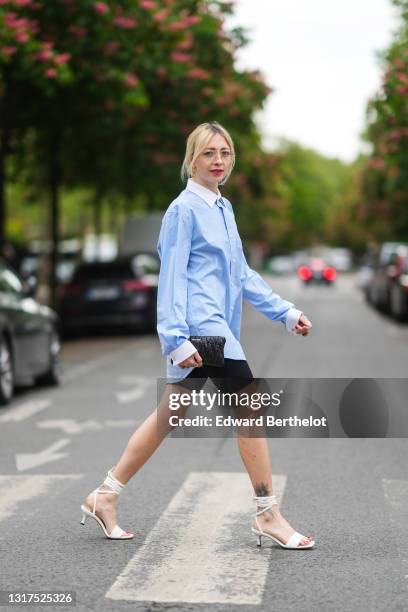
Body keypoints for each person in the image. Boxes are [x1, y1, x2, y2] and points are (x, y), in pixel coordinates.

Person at [80, 122, 315, 549]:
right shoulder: (183, 210)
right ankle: (268, 514)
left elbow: (241, 274)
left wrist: (286, 312)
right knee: (249, 409)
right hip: (202, 330)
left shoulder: (223, 209)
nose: (219, 161)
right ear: (192, 159)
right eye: (209, 153)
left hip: (218, 328)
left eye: (225, 153)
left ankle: (105, 495)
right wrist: (175, 338)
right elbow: (171, 278)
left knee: (172, 414)